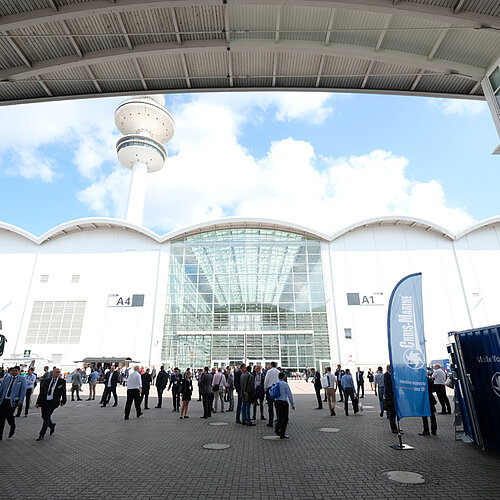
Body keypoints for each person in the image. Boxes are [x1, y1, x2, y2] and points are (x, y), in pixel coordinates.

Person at [35, 367, 66, 441]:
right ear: (53, 373)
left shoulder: (62, 382)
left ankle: (42, 434)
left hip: (53, 402)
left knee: (47, 416)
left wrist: (63, 401)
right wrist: (38, 402)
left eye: (58, 372)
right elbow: (42, 392)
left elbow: (63, 392)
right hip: (45, 401)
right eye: (56, 372)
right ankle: (51, 425)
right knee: (44, 416)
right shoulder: (47, 381)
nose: (57, 373)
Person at [0, 366, 27, 439]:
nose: (14, 372)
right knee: (1, 417)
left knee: (9, 415)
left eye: (16, 370)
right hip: (4, 400)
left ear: (19, 371)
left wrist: (20, 401)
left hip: (13, 401)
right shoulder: (6, 379)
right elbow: (1, 389)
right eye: (13, 370)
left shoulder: (22, 379)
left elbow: (23, 391)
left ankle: (12, 426)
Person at [273, 371, 295, 439]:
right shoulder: (285, 384)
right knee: (284, 418)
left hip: (277, 402)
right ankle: (282, 433)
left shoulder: (276, 383)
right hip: (283, 402)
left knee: (279, 417)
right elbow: (289, 394)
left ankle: (277, 428)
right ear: (283, 377)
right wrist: (292, 404)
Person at [263, 361, 279, 428]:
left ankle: (270, 422)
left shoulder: (269, 372)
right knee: (277, 406)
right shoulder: (278, 372)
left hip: (270, 389)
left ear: (271, 365)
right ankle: (278, 420)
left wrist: (265, 388)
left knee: (270, 406)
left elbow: (266, 381)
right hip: (277, 389)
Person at [383, 364, 398, 433]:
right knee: (392, 413)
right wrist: (391, 396)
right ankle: (393, 428)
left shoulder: (389, 375)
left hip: (391, 396)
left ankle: (395, 427)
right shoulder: (387, 375)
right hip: (390, 397)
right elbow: (388, 387)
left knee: (393, 413)